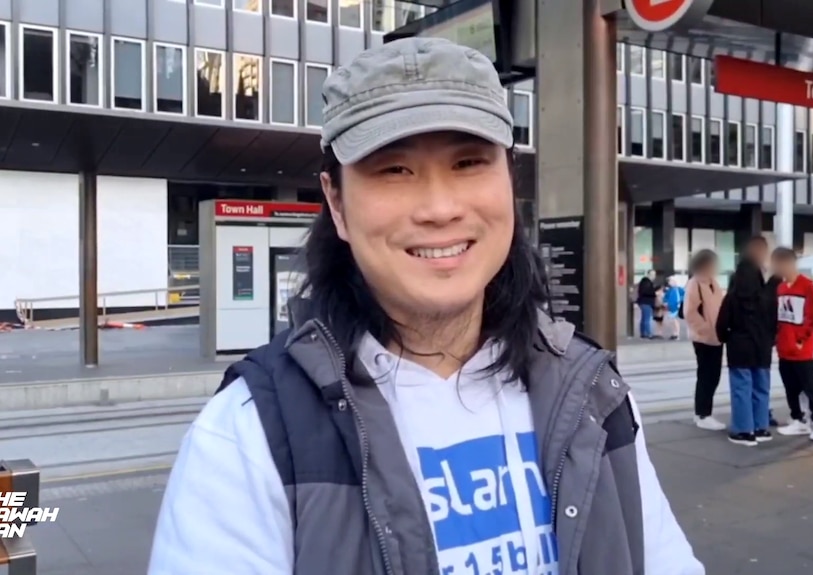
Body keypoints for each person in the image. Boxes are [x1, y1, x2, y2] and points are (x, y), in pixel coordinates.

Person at [147, 38, 704, 575]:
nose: (440, 208)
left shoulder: (592, 396)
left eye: (468, 163)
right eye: (394, 169)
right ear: (336, 203)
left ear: (509, 181)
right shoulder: (249, 437)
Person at [716, 236, 775, 446]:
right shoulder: (767, 297)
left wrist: (726, 338)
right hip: (762, 348)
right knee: (761, 387)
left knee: (741, 387)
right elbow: (774, 323)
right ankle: (761, 428)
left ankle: (743, 431)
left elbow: (721, 325)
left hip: (739, 348)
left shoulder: (731, 298)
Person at [770, 248, 813, 442]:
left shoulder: (807, 286)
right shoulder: (780, 288)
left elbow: (812, 318)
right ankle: (798, 419)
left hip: (801, 350)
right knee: (791, 387)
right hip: (784, 349)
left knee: (809, 386)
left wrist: (800, 340)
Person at [683, 250, 725, 431]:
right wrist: (706, 329)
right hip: (703, 338)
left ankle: (704, 412)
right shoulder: (695, 284)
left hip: (717, 337)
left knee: (713, 376)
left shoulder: (713, 283)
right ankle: (702, 413)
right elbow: (689, 312)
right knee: (706, 376)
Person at [637, 270, 658, 339]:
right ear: (648, 274)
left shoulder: (645, 282)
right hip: (646, 302)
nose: (654, 276)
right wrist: (654, 293)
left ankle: (643, 333)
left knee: (644, 318)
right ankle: (648, 333)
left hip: (643, 302)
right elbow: (646, 292)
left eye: (654, 275)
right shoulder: (646, 282)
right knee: (647, 319)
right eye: (652, 274)